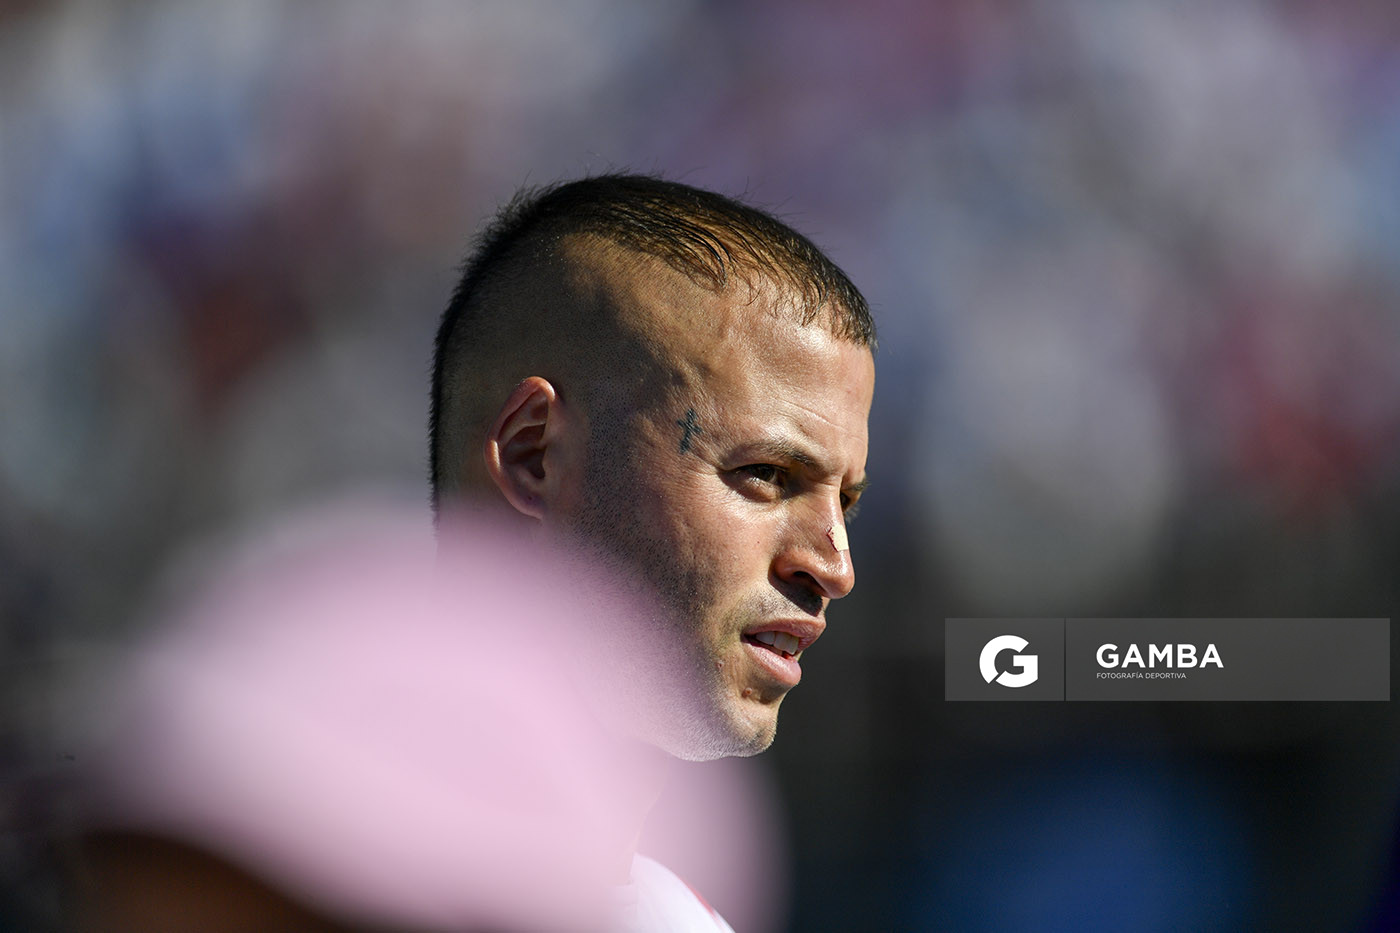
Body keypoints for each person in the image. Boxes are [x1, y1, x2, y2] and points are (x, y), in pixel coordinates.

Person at [430, 173, 876, 928]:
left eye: (847, 502)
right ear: (535, 455)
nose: (833, 568)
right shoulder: (260, 869)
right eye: (767, 474)